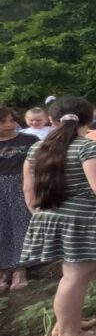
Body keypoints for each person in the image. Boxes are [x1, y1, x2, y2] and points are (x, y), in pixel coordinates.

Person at [20, 97, 96, 336]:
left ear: (51, 120)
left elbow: (29, 193)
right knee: (75, 277)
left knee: (73, 275)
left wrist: (42, 219)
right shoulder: (89, 148)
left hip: (49, 217)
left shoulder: (36, 149)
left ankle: (67, 323)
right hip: (82, 221)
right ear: (91, 119)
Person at [1, 106, 36, 293]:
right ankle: (4, 271)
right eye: (3, 121)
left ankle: (20, 269)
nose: (9, 124)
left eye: (12, 120)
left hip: (24, 186)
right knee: (2, 227)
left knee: (22, 224)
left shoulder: (29, 140)